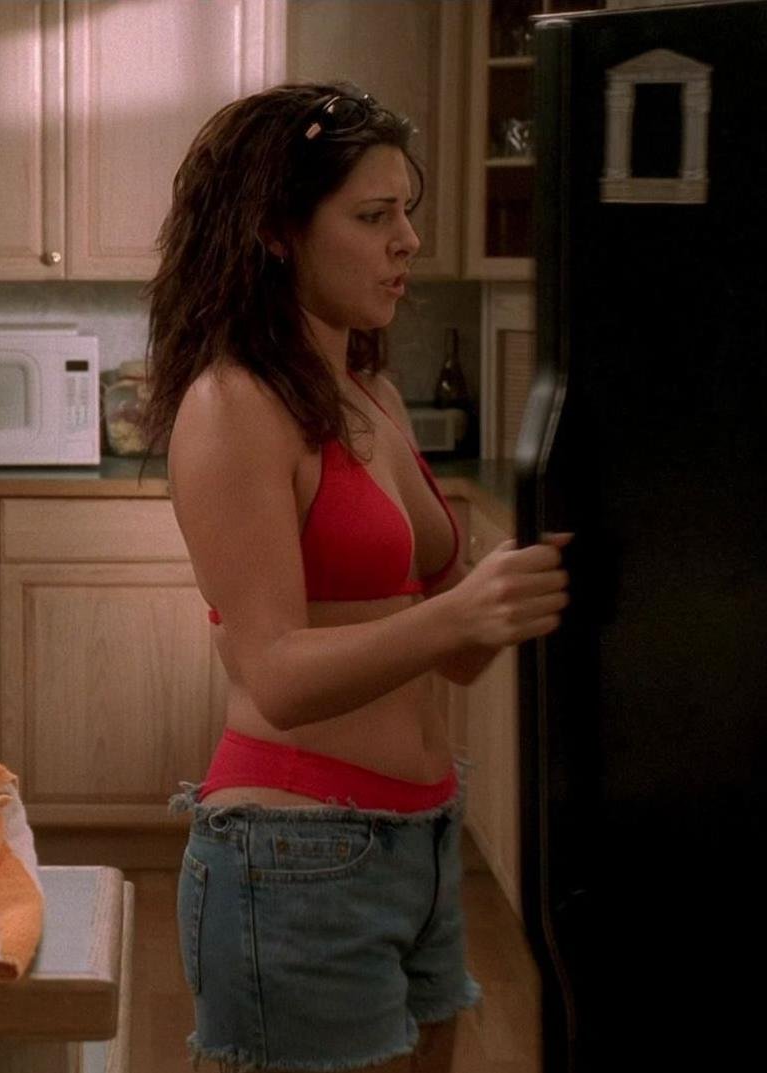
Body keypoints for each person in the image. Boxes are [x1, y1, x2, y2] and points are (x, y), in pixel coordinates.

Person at [144, 83, 571, 1072]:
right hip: (296, 858)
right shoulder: (233, 404)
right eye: (374, 216)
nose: (407, 240)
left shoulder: (370, 391)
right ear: (275, 232)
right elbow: (277, 674)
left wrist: (510, 592)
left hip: (422, 841)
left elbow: (451, 657)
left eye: (405, 212)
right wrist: (462, 612)